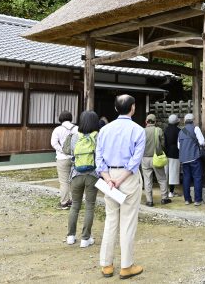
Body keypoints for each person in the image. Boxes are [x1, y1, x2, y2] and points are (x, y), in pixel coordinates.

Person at [95, 94, 145, 279]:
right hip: (128, 178)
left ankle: (106, 265)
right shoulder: (138, 130)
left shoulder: (104, 130)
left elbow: (98, 158)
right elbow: (135, 161)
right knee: (128, 222)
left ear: (116, 109)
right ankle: (126, 266)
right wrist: (120, 179)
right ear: (133, 108)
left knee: (111, 221)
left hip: (109, 178)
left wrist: (108, 179)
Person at [66, 110, 100, 248]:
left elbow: (67, 151)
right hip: (92, 175)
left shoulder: (75, 136)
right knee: (90, 206)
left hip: (76, 174)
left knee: (75, 205)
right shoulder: (98, 136)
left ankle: (70, 236)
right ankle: (85, 239)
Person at [141, 114, 171, 207]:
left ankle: (149, 201)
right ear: (155, 121)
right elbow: (163, 144)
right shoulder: (158, 130)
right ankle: (164, 198)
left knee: (147, 180)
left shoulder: (142, 131)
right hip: (156, 157)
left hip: (145, 158)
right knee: (161, 178)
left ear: (146, 121)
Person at [51, 110, 77, 209]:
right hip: (75, 158)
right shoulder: (77, 128)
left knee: (64, 181)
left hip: (62, 158)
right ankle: (75, 201)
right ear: (71, 118)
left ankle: (65, 202)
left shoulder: (57, 129)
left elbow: (53, 143)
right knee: (74, 181)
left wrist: (62, 150)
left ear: (60, 119)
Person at [178, 113, 205, 206]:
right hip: (194, 157)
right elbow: (202, 142)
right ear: (193, 120)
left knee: (186, 178)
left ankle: (187, 199)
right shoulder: (196, 128)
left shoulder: (181, 131)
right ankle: (198, 200)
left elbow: (179, 146)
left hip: (184, 159)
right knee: (197, 178)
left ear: (185, 121)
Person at [164, 114, 181, 198]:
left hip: (166, 153)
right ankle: (171, 192)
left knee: (166, 173)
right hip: (175, 153)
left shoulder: (166, 130)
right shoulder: (179, 130)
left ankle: (165, 191)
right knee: (173, 173)